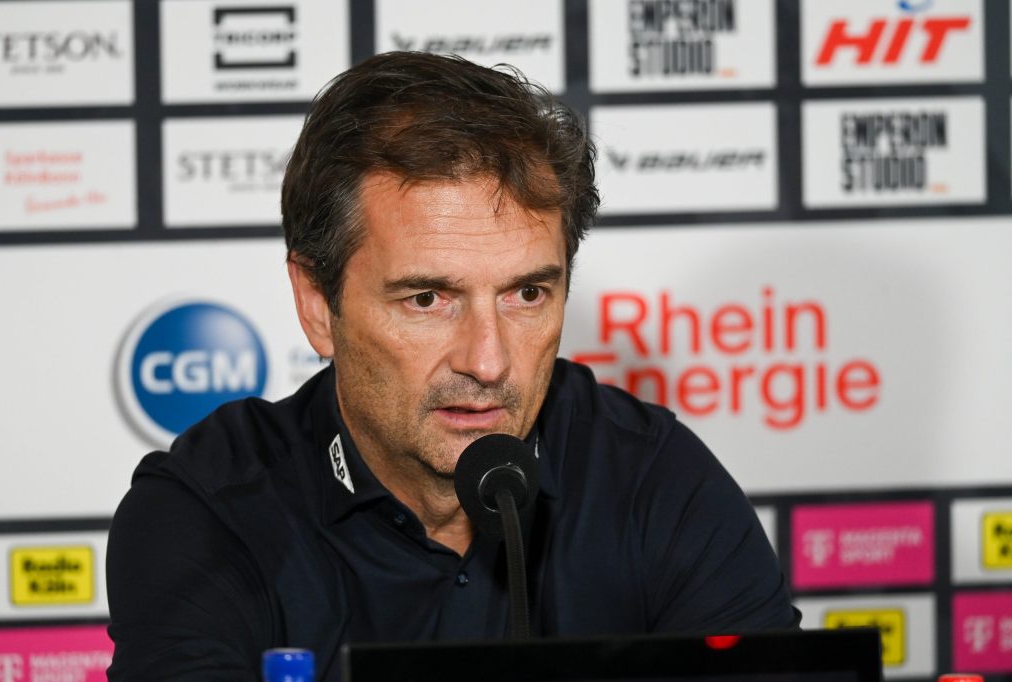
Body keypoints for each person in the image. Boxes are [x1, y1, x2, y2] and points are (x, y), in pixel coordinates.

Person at [106, 51, 798, 681]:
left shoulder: (653, 480)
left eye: (527, 294)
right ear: (317, 304)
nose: (488, 362)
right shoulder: (209, 510)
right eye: (427, 299)